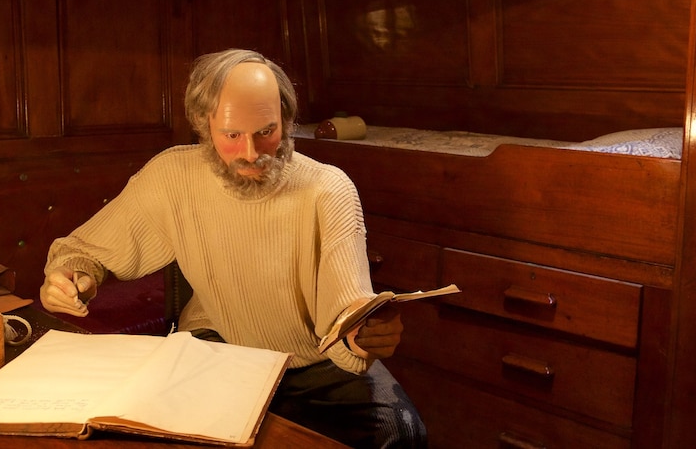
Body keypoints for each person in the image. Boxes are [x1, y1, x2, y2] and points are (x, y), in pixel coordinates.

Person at [39, 48, 427, 448]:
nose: (251, 153)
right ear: (204, 126)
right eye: (231, 135)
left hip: (316, 361)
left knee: (402, 434)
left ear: (287, 121)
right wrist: (71, 273)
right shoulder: (173, 175)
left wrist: (363, 335)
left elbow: (347, 312)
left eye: (266, 132)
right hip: (217, 346)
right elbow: (85, 250)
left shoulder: (329, 189)